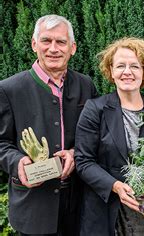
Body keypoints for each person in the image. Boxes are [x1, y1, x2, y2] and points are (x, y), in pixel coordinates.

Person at [0, 14, 97, 235]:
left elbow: (94, 135)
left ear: (72, 48)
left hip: (77, 202)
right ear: (34, 44)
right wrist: (17, 162)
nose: (53, 48)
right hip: (34, 205)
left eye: (61, 42)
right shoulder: (9, 89)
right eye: (46, 40)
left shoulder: (85, 85)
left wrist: (75, 152)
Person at [74, 38, 144, 236]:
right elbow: (83, 161)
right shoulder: (95, 109)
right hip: (105, 211)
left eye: (135, 66)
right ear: (111, 71)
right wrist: (114, 186)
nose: (127, 72)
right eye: (120, 66)